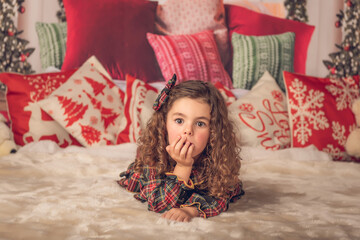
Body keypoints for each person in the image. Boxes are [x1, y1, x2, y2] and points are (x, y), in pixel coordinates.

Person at [117, 74, 244, 222]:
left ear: (213, 131)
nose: (188, 130)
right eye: (179, 120)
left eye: (200, 124)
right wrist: (183, 166)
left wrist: (191, 210)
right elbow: (159, 205)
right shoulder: (153, 156)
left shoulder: (217, 158)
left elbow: (222, 196)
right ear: (164, 124)